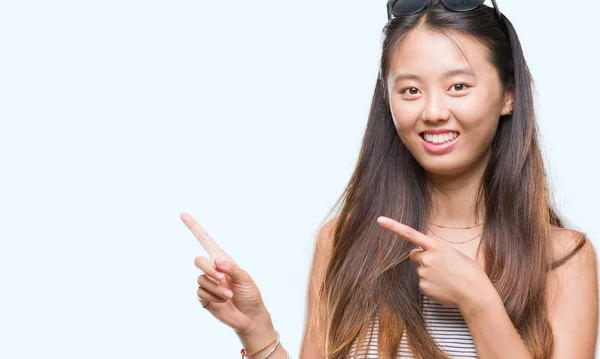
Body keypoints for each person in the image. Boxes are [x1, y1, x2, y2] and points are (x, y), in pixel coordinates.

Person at [185, 0, 599, 358]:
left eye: (458, 86)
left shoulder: (562, 259)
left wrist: (478, 301)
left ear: (508, 94)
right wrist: (255, 329)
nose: (433, 110)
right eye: (410, 91)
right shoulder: (343, 241)